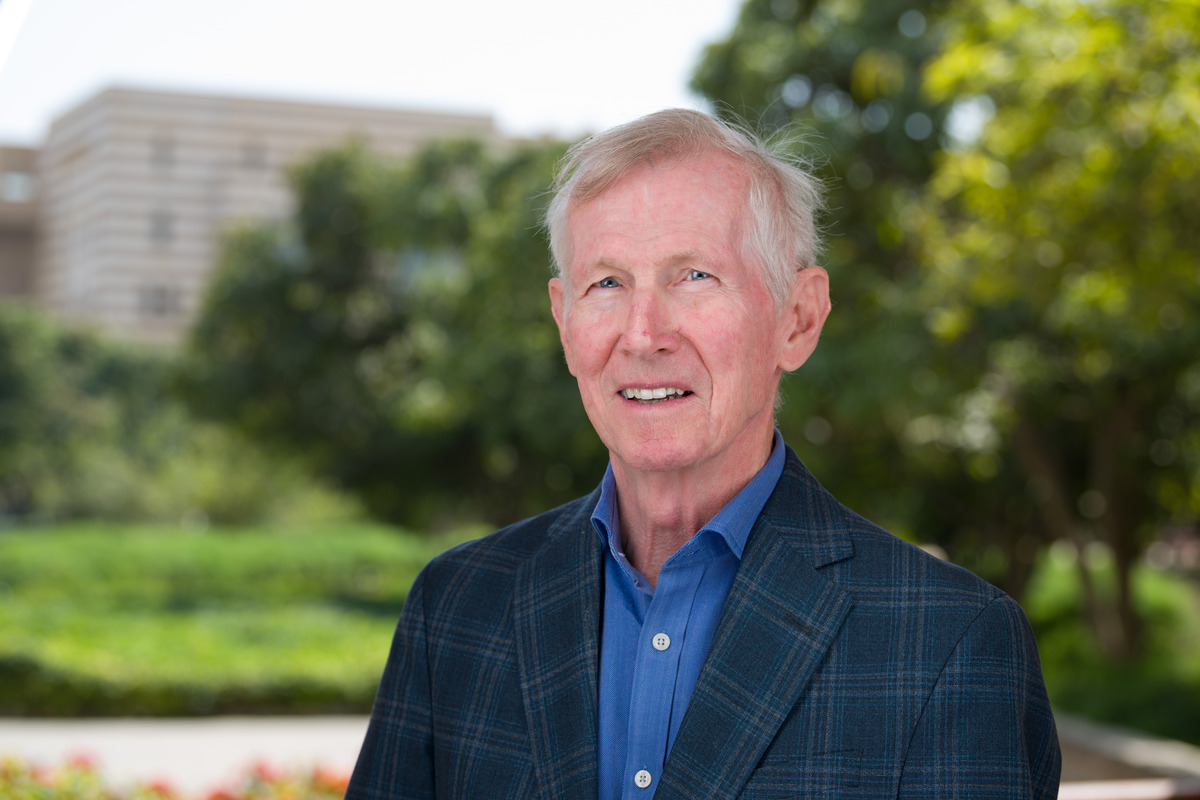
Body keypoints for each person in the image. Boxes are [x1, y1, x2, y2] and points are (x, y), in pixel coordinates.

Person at [346, 109, 1061, 800]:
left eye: (694, 277)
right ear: (565, 322)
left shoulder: (951, 644)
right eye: (607, 284)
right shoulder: (456, 609)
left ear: (798, 319)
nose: (642, 334)